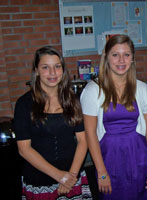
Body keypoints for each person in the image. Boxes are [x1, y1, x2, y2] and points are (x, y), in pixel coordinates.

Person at [80, 35, 147, 200]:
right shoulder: (92, 91)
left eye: (127, 54)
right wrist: (101, 172)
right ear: (106, 58)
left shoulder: (143, 89)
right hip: (109, 158)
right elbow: (90, 134)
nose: (121, 60)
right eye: (115, 55)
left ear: (132, 59)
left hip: (139, 155)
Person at [13, 46, 92, 199]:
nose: (52, 73)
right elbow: (24, 149)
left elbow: (83, 140)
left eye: (57, 66)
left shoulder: (72, 100)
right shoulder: (24, 104)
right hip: (40, 181)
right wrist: (59, 176)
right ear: (36, 70)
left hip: (73, 177)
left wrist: (71, 176)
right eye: (45, 67)